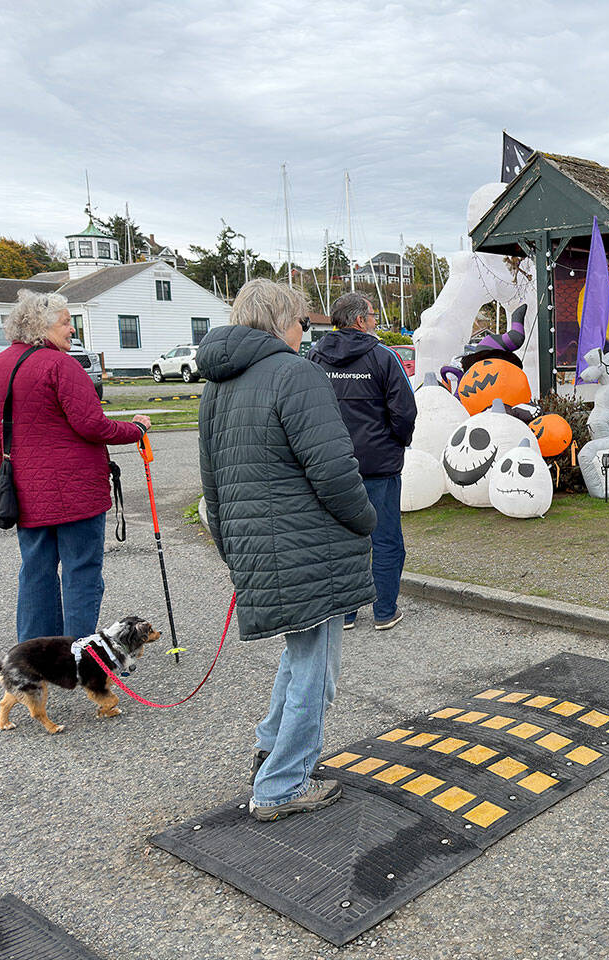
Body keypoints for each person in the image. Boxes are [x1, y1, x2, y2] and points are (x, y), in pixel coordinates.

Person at [196, 279, 376, 822]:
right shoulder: (296, 374)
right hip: (307, 547)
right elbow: (334, 470)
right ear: (282, 324)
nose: (305, 332)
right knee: (316, 668)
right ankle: (282, 784)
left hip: (259, 545)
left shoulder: (217, 386)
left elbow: (212, 483)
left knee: (300, 657)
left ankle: (269, 747)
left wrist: (231, 547)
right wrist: (368, 521)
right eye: (300, 321)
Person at [0, 290, 151, 644]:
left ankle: (33, 657)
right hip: (77, 493)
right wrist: (136, 430)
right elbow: (93, 425)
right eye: (66, 323)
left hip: (25, 492)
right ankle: (77, 655)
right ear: (41, 325)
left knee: (36, 573)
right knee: (81, 571)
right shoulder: (61, 364)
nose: (72, 330)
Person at [309, 292, 415, 631]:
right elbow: (405, 411)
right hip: (377, 467)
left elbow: (303, 412)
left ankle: (347, 612)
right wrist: (396, 444)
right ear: (359, 321)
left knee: (342, 541)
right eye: (371, 315)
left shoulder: (314, 357)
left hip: (331, 467)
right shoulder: (384, 357)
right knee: (385, 539)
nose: (374, 321)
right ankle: (384, 611)